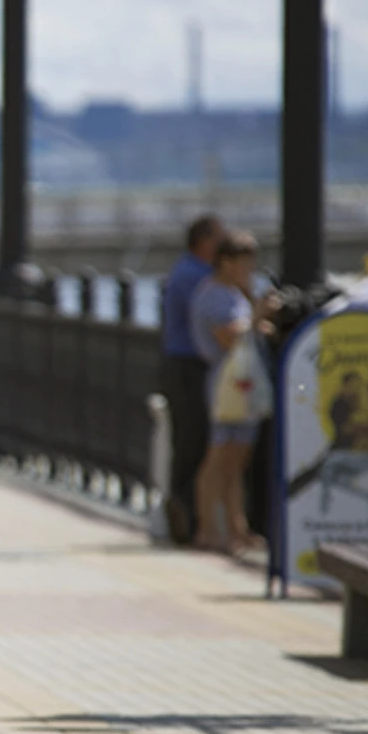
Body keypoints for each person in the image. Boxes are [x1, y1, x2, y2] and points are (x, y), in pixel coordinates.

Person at [191, 231, 267, 556]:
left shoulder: (239, 294)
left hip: (245, 383)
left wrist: (253, 304)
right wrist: (258, 316)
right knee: (219, 455)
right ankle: (208, 528)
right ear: (225, 261)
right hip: (226, 383)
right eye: (243, 262)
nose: (248, 268)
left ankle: (238, 528)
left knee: (237, 459)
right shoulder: (213, 296)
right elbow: (229, 338)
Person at [161, 214, 225, 546]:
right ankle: (185, 517)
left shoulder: (189, 272)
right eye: (218, 237)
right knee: (192, 442)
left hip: (185, 366)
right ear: (203, 240)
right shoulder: (196, 277)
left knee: (190, 443)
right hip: (189, 367)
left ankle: (187, 515)